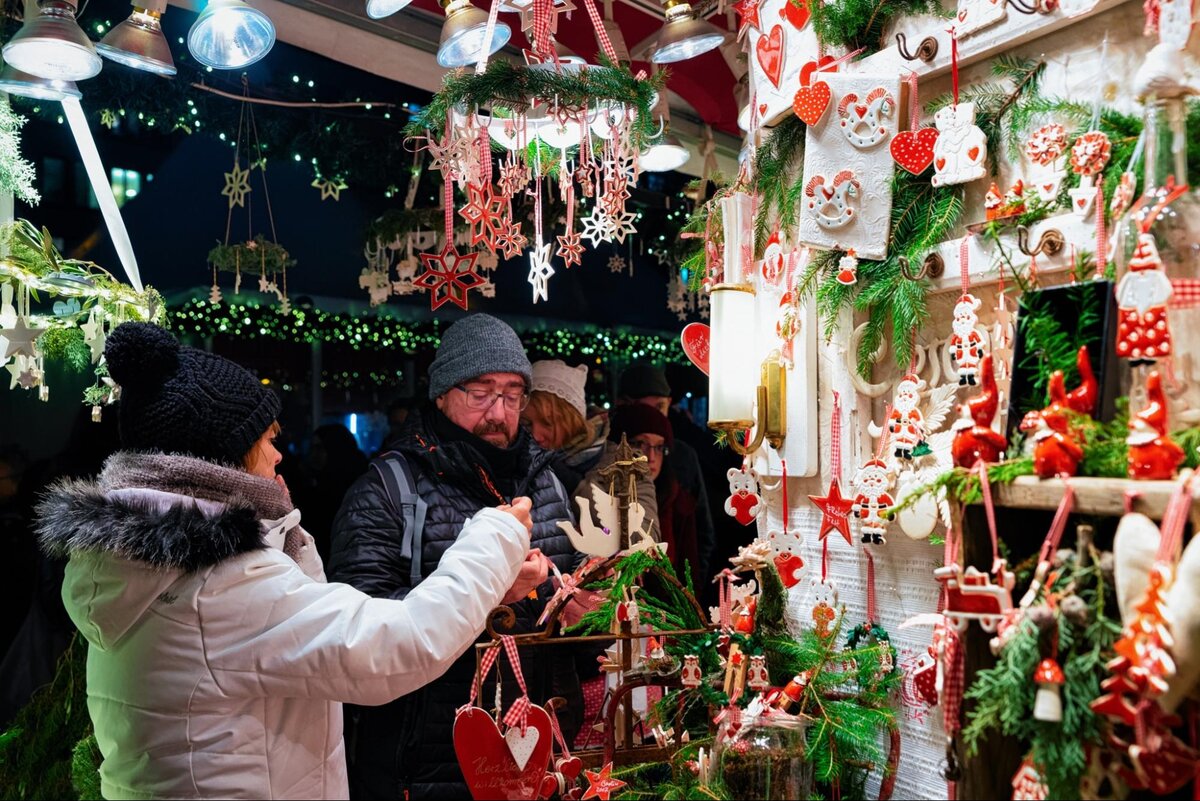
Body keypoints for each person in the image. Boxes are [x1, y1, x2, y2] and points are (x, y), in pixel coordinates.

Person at [35, 323, 533, 801]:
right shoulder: (218, 582)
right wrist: (496, 536)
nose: (279, 457)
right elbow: (397, 643)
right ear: (225, 457)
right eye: (268, 441)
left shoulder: (150, 562)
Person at [329, 313, 580, 800]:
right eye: (480, 393)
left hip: (537, 758)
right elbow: (355, 631)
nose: (498, 412)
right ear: (442, 395)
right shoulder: (388, 488)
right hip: (425, 768)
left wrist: (583, 614)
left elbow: (561, 620)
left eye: (511, 395)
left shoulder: (547, 485)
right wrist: (492, 594)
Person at [523, 359, 658, 529]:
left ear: (573, 420)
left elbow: (644, 534)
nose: (536, 435)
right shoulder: (521, 462)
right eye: (527, 424)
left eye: (548, 423)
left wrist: (576, 487)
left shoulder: (626, 465)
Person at [617, 364, 714, 579]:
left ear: (669, 404)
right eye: (642, 408)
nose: (652, 416)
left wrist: (690, 590)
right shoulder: (612, 456)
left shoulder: (683, 456)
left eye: (659, 407)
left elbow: (702, 532)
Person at [610, 405, 699, 580]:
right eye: (640, 444)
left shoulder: (678, 501)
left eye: (659, 447)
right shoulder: (608, 494)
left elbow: (690, 574)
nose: (650, 457)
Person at [301, 423, 368, 564]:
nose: (313, 454)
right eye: (312, 448)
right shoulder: (311, 485)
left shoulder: (356, 490)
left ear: (335, 449)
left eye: (319, 448)